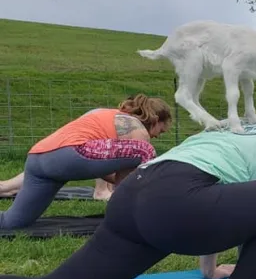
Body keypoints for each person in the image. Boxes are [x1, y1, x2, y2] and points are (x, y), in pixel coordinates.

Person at [0, 82, 256, 279]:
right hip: (175, 205)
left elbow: (226, 193)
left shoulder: (238, 129)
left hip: (134, 195)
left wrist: (210, 271)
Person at [0, 94, 172, 230]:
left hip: (38, 159)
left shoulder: (106, 115)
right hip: (68, 154)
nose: (157, 135)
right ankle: (124, 216)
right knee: (145, 150)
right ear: (156, 120)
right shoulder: (137, 130)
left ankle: (123, 211)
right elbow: (135, 178)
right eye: (161, 131)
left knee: (12, 222)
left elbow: (103, 167)